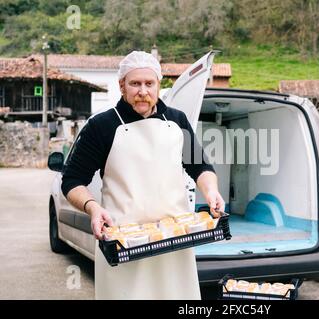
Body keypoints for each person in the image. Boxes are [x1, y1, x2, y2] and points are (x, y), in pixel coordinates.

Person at [61, 50, 225, 300]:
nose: (142, 91)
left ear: (159, 85)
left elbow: (200, 167)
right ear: (122, 86)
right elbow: (72, 181)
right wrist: (93, 207)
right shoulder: (101, 126)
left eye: (149, 83)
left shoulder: (176, 120)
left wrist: (211, 191)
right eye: (135, 83)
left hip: (174, 239)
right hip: (124, 243)